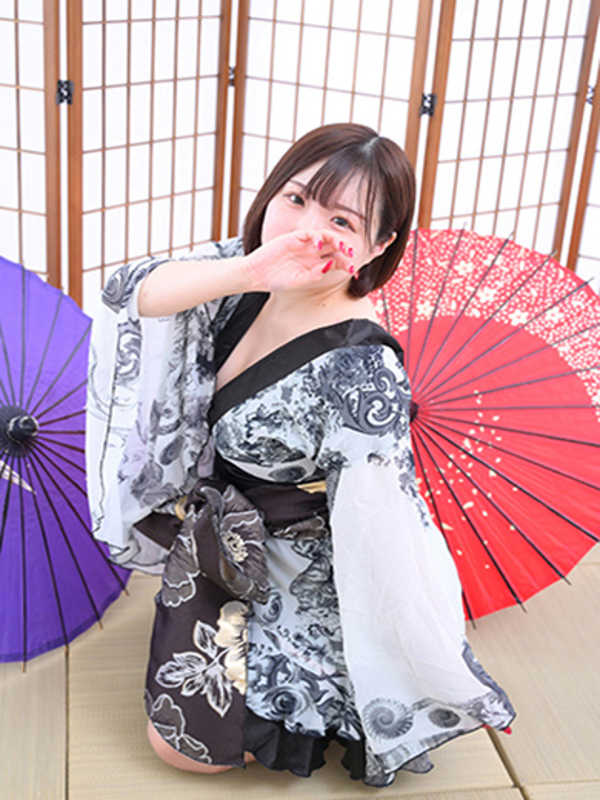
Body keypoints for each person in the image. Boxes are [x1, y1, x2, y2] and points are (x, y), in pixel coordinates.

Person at [85, 123, 515, 788]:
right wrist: (250, 270)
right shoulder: (250, 272)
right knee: (175, 726)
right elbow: (130, 294)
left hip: (296, 571)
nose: (307, 230)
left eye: (341, 220)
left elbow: (380, 532)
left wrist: (411, 652)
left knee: (184, 748)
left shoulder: (360, 373)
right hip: (221, 538)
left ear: (379, 245)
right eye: (296, 198)